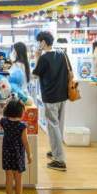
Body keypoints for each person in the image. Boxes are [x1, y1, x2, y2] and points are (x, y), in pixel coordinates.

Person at [32, 31, 68, 171]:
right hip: (62, 95)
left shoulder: (44, 58)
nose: (38, 44)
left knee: (53, 127)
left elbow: (35, 75)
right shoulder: (61, 55)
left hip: (50, 95)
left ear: (43, 42)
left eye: (39, 41)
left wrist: (37, 57)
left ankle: (59, 160)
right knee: (58, 125)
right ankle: (55, 151)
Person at [0, 99, 32, 194]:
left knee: (8, 179)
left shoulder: (4, 122)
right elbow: (25, 142)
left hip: (7, 155)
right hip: (18, 156)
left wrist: (6, 105)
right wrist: (29, 154)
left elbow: (0, 117)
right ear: (21, 112)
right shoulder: (22, 126)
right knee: (18, 179)